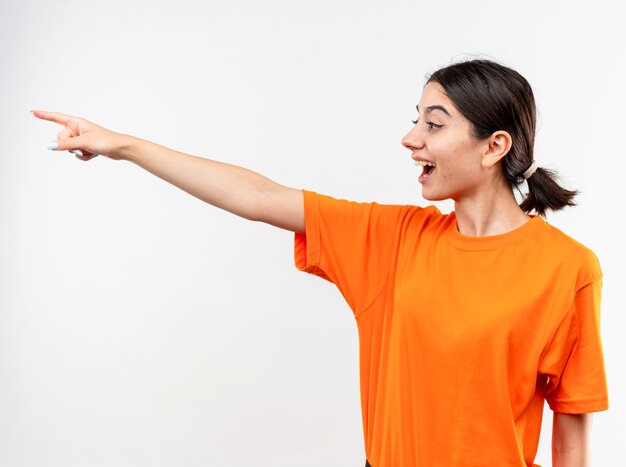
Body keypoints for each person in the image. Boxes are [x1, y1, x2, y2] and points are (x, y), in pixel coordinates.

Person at [32, 58, 608, 467]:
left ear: (493, 146)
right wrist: (123, 145)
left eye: (434, 124)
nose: (410, 138)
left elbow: (572, 432)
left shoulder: (567, 269)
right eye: (416, 119)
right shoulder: (395, 239)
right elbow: (258, 197)